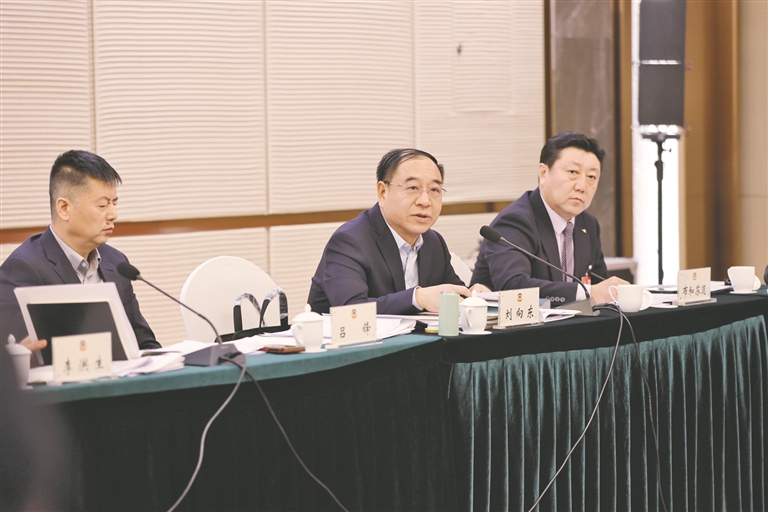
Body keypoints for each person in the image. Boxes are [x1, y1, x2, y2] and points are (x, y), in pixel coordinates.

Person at [0, 150, 160, 364]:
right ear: (64, 208)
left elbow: (144, 342)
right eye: (102, 205)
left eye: (114, 203)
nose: (113, 214)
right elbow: (18, 359)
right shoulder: (24, 268)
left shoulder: (116, 262)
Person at [308, 148, 488, 314]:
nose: (425, 201)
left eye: (434, 190)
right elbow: (351, 311)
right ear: (382, 192)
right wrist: (417, 298)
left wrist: (471, 295)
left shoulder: (433, 242)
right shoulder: (350, 241)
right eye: (413, 188)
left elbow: (450, 294)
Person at [471, 132, 628, 305]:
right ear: (543, 173)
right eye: (572, 172)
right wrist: (587, 293)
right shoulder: (515, 221)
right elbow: (513, 286)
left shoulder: (587, 224)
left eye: (591, 177)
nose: (582, 186)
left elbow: (600, 287)